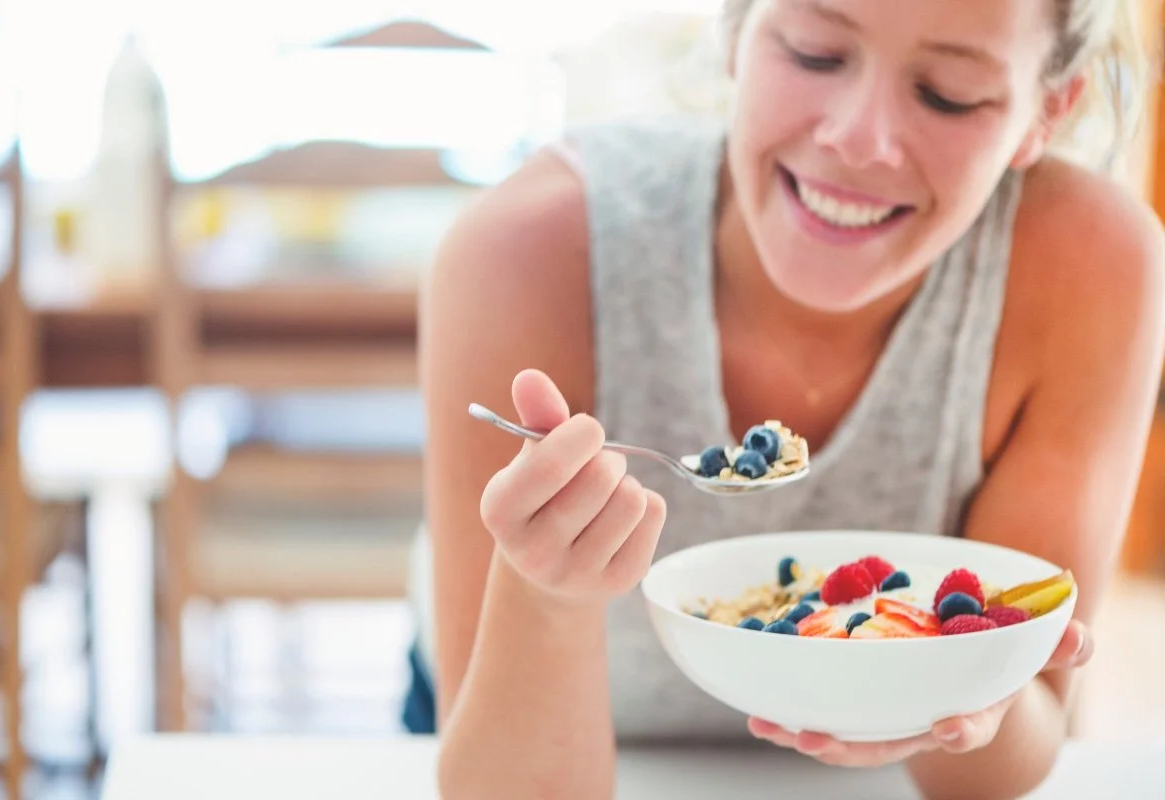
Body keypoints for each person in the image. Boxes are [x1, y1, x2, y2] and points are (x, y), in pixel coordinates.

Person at [410, 1, 1165, 798]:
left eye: (947, 93)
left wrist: (964, 676)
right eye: (814, 54)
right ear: (736, 33)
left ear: (1044, 112)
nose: (857, 137)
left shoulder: (1092, 268)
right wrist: (545, 598)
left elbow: (996, 769)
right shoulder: (533, 250)